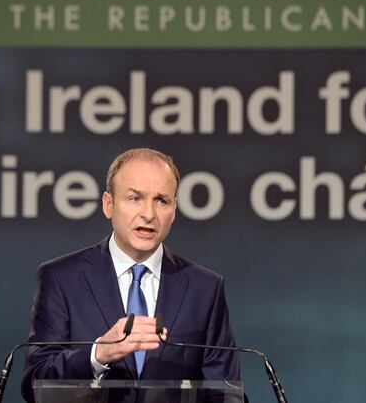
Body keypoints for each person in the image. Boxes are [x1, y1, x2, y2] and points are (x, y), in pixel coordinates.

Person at [20, 148, 240, 402]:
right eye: (135, 198)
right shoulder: (61, 279)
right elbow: (36, 384)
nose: (149, 214)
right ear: (108, 204)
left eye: (161, 201)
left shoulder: (205, 288)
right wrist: (97, 354)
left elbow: (224, 390)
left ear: (175, 210)